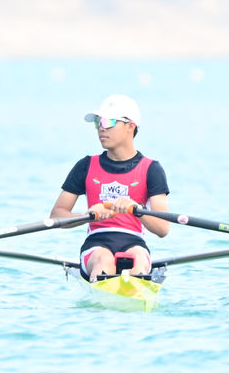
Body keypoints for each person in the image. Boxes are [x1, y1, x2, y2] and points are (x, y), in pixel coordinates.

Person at [50, 94, 171, 281]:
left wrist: (137, 210)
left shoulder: (151, 169)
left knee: (138, 259)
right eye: (98, 122)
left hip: (135, 243)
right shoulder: (86, 166)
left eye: (108, 121)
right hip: (95, 244)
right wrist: (88, 215)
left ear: (130, 126)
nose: (101, 127)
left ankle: (134, 285)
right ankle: (104, 285)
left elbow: (163, 228)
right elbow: (57, 215)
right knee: (103, 260)